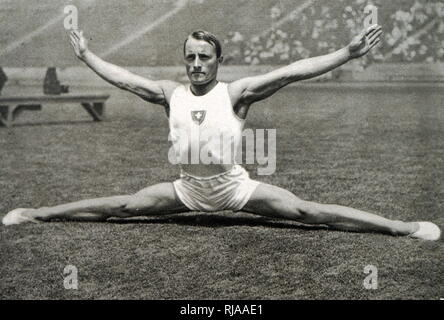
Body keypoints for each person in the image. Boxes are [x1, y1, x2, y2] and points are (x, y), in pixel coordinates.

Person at [3, 25, 441, 241]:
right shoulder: (168, 92)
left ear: (218, 60)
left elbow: (291, 72)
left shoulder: (237, 93)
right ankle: (35, 213)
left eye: (205, 57)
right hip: (187, 190)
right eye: (190, 57)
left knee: (309, 214)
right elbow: (123, 79)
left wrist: (346, 52)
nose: (196, 63)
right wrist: (86, 57)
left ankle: (402, 227)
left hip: (235, 190)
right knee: (120, 207)